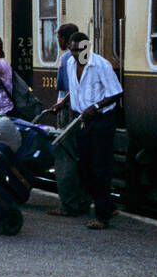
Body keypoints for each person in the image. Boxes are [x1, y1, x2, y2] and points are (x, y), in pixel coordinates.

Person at [52, 32, 123, 229]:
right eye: (72, 50)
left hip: (101, 121)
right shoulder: (69, 64)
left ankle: (102, 217)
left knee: (100, 168)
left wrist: (96, 107)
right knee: (83, 167)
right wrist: (63, 103)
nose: (76, 54)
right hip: (81, 120)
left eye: (80, 49)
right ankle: (108, 206)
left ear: (88, 46)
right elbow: (75, 90)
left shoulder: (101, 65)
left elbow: (116, 93)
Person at [46, 23, 93, 218]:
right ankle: (83, 200)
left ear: (64, 38)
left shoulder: (67, 58)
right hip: (83, 112)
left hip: (68, 111)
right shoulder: (88, 55)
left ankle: (68, 203)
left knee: (64, 158)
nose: (58, 41)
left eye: (59, 37)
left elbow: (65, 87)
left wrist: (60, 105)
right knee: (80, 157)